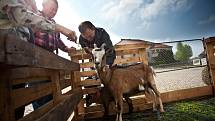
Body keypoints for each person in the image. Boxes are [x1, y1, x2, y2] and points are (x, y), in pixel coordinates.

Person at [0, 0, 77, 42]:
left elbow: (58, 41)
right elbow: (22, 16)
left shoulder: (50, 21)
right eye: (52, 9)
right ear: (44, 5)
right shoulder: (38, 16)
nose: (54, 12)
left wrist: (66, 48)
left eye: (55, 11)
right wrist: (59, 28)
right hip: (8, 40)